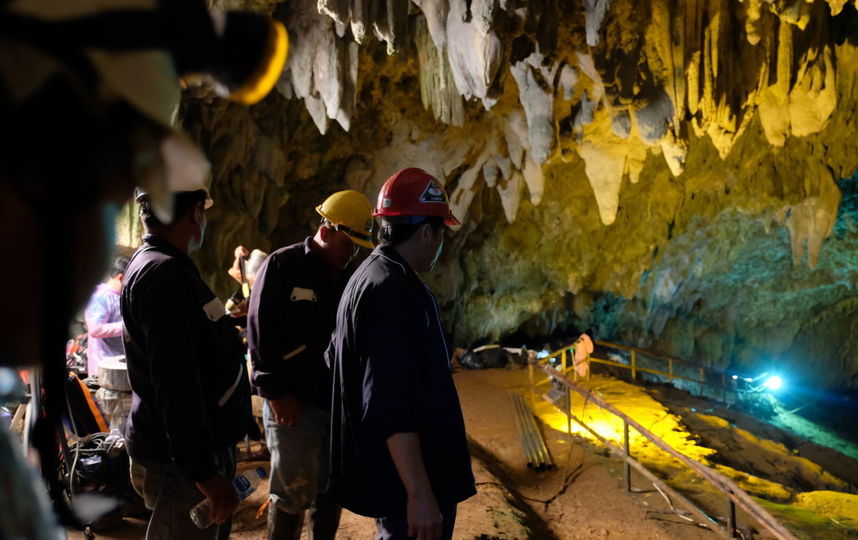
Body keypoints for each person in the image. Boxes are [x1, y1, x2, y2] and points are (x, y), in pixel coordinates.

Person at [326, 168, 476, 540]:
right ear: (427, 231)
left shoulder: (366, 277)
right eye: (441, 233)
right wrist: (420, 493)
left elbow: (335, 359)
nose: (441, 244)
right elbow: (391, 407)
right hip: (408, 490)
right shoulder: (393, 291)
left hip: (392, 482)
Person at [121, 187, 253, 540]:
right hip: (181, 463)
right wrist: (203, 471)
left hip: (183, 453)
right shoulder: (163, 274)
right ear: (196, 213)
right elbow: (175, 380)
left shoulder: (160, 265)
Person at [248, 190, 375, 540]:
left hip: (334, 407)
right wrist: (275, 393)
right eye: (348, 243)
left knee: (330, 488)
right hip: (293, 406)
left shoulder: (348, 277)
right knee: (291, 493)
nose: (351, 253)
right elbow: (259, 332)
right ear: (328, 228)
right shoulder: (282, 265)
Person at [84, 256, 130, 377]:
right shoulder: (100, 296)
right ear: (121, 277)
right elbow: (95, 329)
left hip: (118, 362)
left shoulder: (119, 296)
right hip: (103, 365)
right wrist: (127, 326)